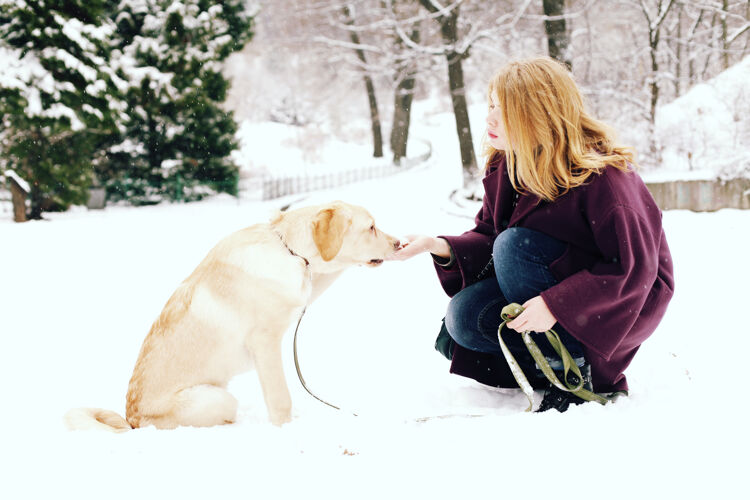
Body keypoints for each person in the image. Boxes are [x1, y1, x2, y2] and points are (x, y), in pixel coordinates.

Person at [389, 56, 674, 412]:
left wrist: (557, 305)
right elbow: (490, 235)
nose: (490, 117)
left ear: (538, 114)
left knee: (514, 245)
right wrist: (439, 245)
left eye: (504, 109)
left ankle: (573, 374)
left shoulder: (605, 178)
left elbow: (635, 270)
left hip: (618, 306)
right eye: (491, 105)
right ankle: (545, 361)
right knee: (463, 317)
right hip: (551, 288)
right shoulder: (507, 164)